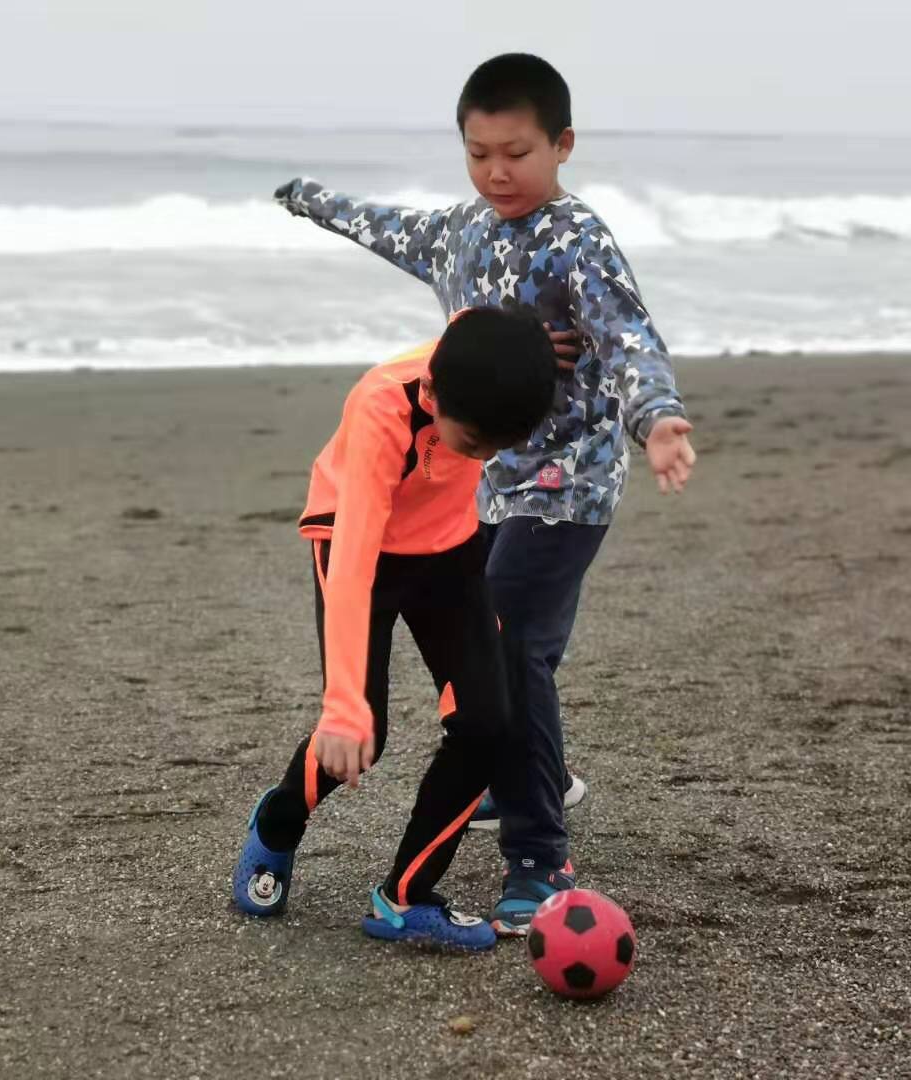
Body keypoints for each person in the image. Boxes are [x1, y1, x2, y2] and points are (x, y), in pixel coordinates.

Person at [273, 53, 697, 934]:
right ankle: (528, 783)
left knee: (514, 653)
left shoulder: (576, 240)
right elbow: (382, 224)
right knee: (502, 655)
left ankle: (539, 852)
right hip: (482, 481)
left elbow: (627, 337)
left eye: (518, 153)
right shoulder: (462, 232)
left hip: (567, 482)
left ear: (562, 145)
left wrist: (655, 419)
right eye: (479, 154)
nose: (499, 173)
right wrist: (309, 198)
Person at [232, 305, 557, 951]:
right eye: (474, 446)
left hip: (448, 549)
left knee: (489, 723)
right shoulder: (382, 405)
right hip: (358, 542)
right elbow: (352, 557)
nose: (485, 458)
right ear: (433, 394)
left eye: (499, 448)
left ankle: (405, 898)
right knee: (364, 733)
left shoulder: (483, 376)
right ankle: (276, 823)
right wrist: (342, 705)